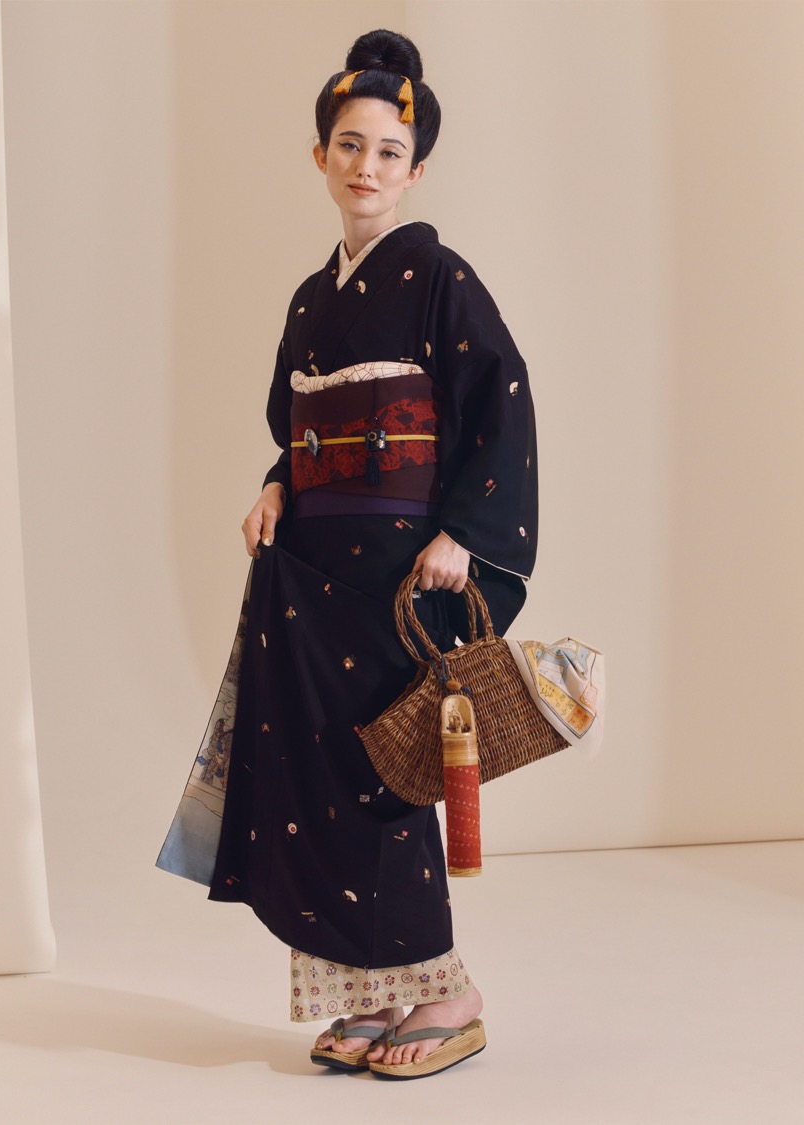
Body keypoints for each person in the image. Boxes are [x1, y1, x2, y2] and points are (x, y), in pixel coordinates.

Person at [155, 28, 539, 1081]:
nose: (366, 166)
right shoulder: (308, 299)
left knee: (385, 776)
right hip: (314, 574)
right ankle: (369, 997)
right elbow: (299, 428)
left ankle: (447, 992)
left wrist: (467, 534)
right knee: (316, 772)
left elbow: (498, 404)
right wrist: (278, 482)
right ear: (320, 155)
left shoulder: (440, 278)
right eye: (349, 145)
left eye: (388, 151)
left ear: (417, 169)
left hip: (399, 573)